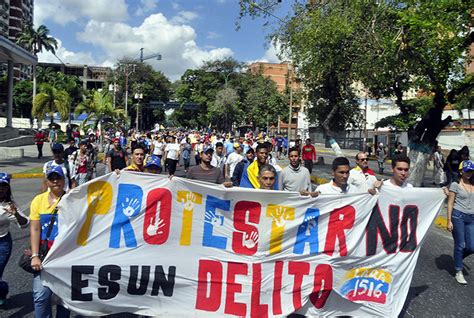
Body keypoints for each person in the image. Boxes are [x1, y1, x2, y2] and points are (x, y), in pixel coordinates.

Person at [30, 166, 70, 317]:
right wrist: (35, 255)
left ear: (63, 180)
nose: (55, 181)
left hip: (66, 256)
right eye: (51, 178)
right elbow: (35, 229)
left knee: (64, 299)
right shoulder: (38, 201)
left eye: (58, 177)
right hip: (45, 255)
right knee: (40, 297)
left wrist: (116, 177)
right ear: (46, 181)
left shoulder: (72, 198)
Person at [0, 173, 29, 305]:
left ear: (7, 188)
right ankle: (2, 289)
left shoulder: (9, 205)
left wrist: (16, 213)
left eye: (4, 186)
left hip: (3, 244)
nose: (1, 188)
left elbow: (24, 224)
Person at [446, 160, 474, 285]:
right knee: (460, 245)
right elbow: (450, 203)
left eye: (471, 171)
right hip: (458, 216)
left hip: (471, 218)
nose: (469, 173)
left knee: (472, 247)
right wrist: (448, 220)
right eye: (467, 171)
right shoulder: (455, 185)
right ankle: (458, 270)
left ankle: (458, 258)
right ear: (461, 171)